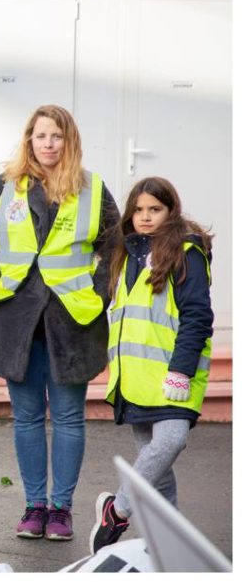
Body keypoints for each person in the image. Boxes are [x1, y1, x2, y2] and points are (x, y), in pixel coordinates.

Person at [0, 104, 119, 542]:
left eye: (57, 136)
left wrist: (99, 292)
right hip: (16, 320)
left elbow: (115, 249)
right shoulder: (5, 187)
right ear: (29, 140)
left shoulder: (94, 190)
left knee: (69, 417)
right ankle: (34, 506)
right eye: (41, 136)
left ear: (70, 141)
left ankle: (62, 509)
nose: (49, 144)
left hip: (72, 320)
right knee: (27, 417)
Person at [89, 177, 214, 555]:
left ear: (170, 211)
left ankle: (118, 510)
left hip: (174, 375)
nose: (145, 217)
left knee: (171, 441)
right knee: (157, 469)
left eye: (155, 209)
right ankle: (168, 545)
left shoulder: (185, 253)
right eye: (139, 210)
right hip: (135, 378)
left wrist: (180, 371)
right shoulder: (124, 255)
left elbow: (196, 316)